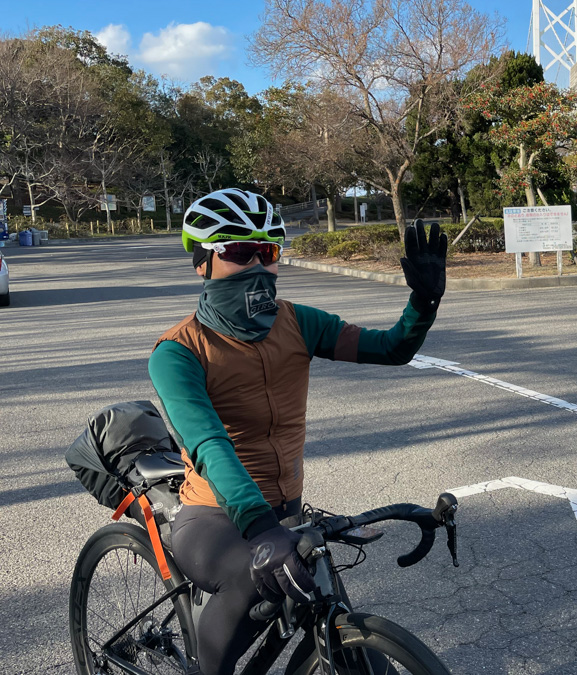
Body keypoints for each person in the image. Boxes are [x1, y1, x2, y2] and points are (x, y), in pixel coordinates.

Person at [148, 188, 447, 674]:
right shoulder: (178, 352)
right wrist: (262, 528)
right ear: (201, 261)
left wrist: (424, 300)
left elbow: (391, 348)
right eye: (238, 252)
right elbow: (209, 444)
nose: (257, 268)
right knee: (249, 582)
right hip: (215, 517)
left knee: (324, 605)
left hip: (284, 513)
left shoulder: (298, 322)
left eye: (267, 253)